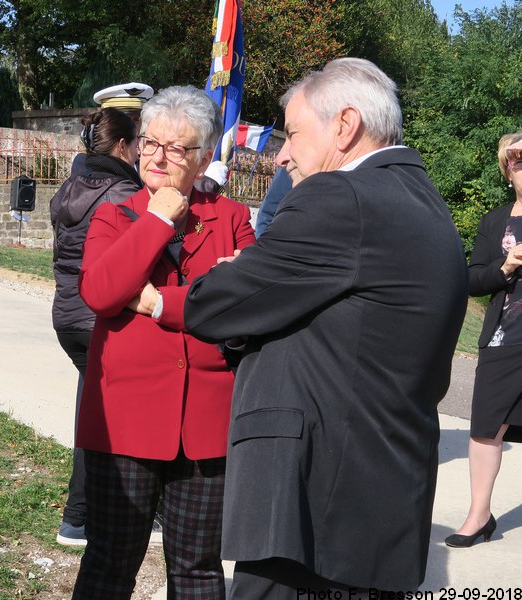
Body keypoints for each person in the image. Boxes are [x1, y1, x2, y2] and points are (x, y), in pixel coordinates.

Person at [171, 58, 468, 595]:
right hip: (376, 505)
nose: (281, 154)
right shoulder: (425, 202)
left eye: (292, 134)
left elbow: (215, 307)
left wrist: (228, 279)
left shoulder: (340, 197)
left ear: (345, 125)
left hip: (311, 510)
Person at [72, 85, 256, 599]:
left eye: (177, 148)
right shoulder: (115, 214)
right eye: (151, 143)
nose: (158, 157)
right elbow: (103, 293)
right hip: (125, 422)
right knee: (110, 561)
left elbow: (246, 310)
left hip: (205, 426)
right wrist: (156, 220)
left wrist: (158, 304)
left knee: (198, 567)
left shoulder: (234, 219)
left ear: (202, 159)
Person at [50, 107, 143, 547]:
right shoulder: (122, 191)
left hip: (67, 315)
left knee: (94, 410)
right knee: (112, 418)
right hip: (98, 317)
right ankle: (82, 517)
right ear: (123, 146)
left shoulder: (72, 185)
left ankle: (82, 516)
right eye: (141, 144)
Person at [446, 132, 522, 548]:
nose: (521, 167)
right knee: (484, 430)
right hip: (503, 339)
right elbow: (472, 279)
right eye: (515, 162)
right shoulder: (496, 220)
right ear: (506, 172)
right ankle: (479, 516)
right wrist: (505, 265)